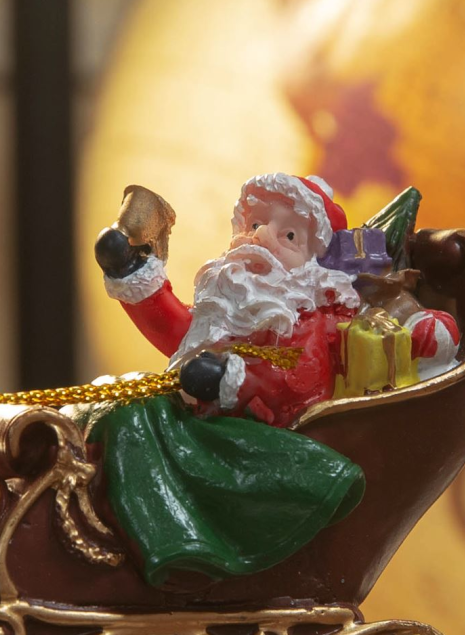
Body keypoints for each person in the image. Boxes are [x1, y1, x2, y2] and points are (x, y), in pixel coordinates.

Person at [89, 173, 365, 586]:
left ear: (314, 264)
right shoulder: (228, 306)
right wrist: (132, 271)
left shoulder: (307, 317)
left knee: (137, 414)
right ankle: (122, 523)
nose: (261, 238)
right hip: (201, 418)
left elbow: (299, 378)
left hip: (257, 440)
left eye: (288, 235)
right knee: (121, 400)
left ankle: (181, 547)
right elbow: (180, 333)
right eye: (255, 224)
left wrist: (229, 378)